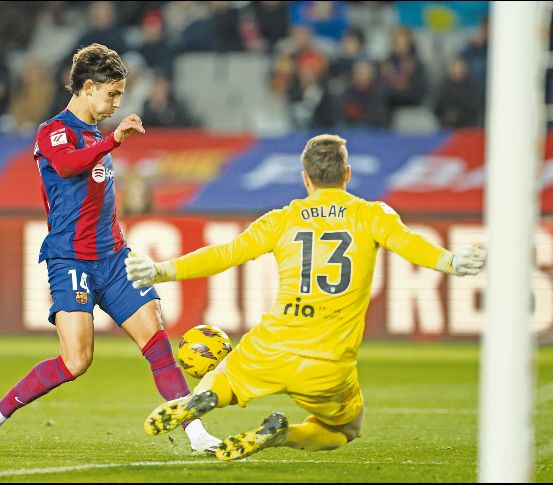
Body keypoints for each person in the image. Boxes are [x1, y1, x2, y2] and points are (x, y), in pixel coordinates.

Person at [125, 134, 487, 461]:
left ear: (305, 178)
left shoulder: (283, 219)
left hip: (270, 347)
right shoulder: (371, 215)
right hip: (326, 363)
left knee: (225, 377)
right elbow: (410, 245)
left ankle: (201, 399)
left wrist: (162, 270)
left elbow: (224, 253)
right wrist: (452, 261)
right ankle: (284, 435)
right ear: (346, 174)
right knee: (344, 429)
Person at [0, 43, 221, 455]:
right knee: (76, 361)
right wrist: (114, 140)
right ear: (86, 88)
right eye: (112, 94)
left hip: (114, 259)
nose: (117, 103)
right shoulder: (54, 131)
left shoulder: (93, 135)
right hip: (70, 260)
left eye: (120, 95)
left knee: (156, 341)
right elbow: (67, 165)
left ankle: (196, 434)